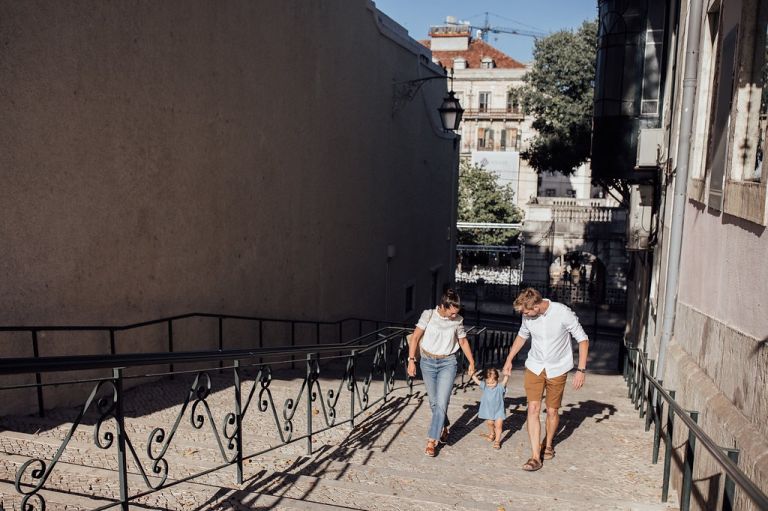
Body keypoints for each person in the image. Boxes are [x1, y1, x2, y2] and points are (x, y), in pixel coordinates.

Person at [502, 287, 589, 472]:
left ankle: (548, 444)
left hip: (558, 369)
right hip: (534, 366)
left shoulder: (562, 312)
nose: (524, 315)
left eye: (526, 312)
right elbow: (521, 336)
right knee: (533, 408)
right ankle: (535, 456)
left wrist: (581, 370)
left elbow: (583, 339)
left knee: (551, 411)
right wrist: (509, 359)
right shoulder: (527, 316)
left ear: (536, 306)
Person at [407, 289, 476, 457]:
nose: (454, 316)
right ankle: (444, 426)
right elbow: (415, 337)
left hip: (448, 362)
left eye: (456, 313)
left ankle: (432, 440)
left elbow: (463, 341)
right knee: (433, 402)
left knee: (442, 401)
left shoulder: (458, 320)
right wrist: (411, 361)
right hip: (427, 362)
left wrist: (471, 362)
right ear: (443, 306)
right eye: (452, 313)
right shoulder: (428, 315)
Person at [471, 368, 509, 450]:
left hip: (499, 411)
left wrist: (507, 373)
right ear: (485, 380)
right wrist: (472, 374)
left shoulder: (500, 387)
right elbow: (477, 381)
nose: (490, 385)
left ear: (497, 380)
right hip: (489, 411)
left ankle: (497, 441)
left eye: (493, 383)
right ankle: (492, 433)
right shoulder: (485, 386)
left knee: (498, 426)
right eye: (488, 383)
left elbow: (505, 380)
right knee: (490, 423)